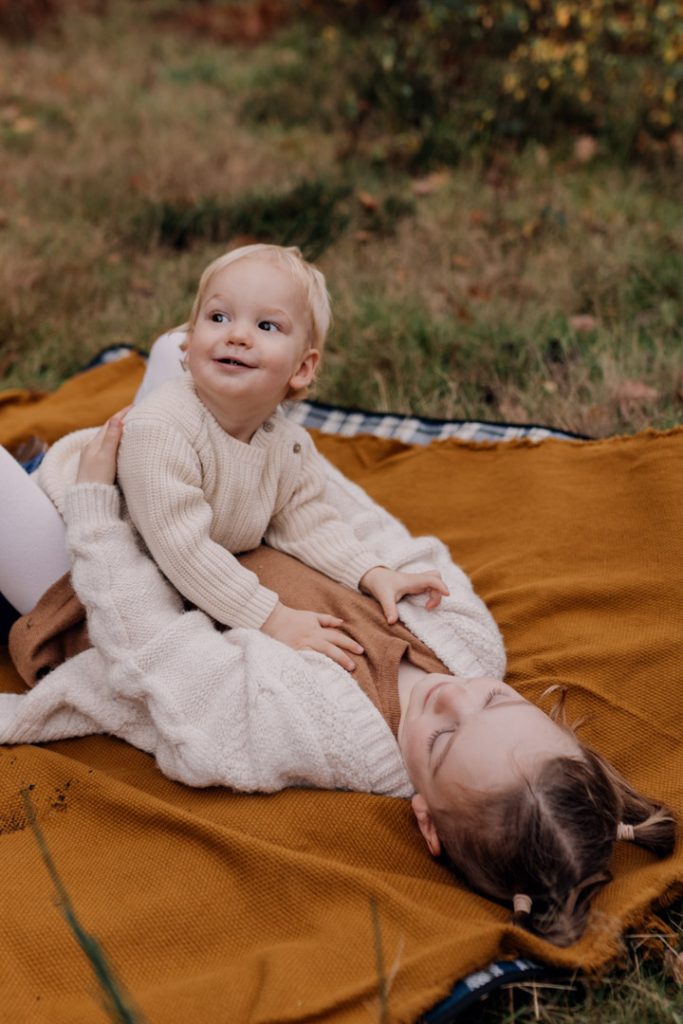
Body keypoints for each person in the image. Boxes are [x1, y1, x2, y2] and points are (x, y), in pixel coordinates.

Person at [0, 411, 675, 949]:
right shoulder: (469, 644)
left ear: (426, 822)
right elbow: (366, 526)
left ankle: (36, 481)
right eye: (495, 701)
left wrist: (93, 502)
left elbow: (149, 646)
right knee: (209, 341)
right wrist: (266, 442)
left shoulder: (305, 730)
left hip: (85, 573)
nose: (454, 696)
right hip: (208, 501)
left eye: (442, 740)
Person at [33, 244, 449, 673]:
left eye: (267, 325)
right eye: (218, 317)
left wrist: (372, 572)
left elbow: (307, 521)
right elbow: (185, 551)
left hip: (130, 548)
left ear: (302, 369)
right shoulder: (160, 430)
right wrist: (272, 617)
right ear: (190, 342)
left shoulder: (287, 446)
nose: (237, 335)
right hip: (65, 542)